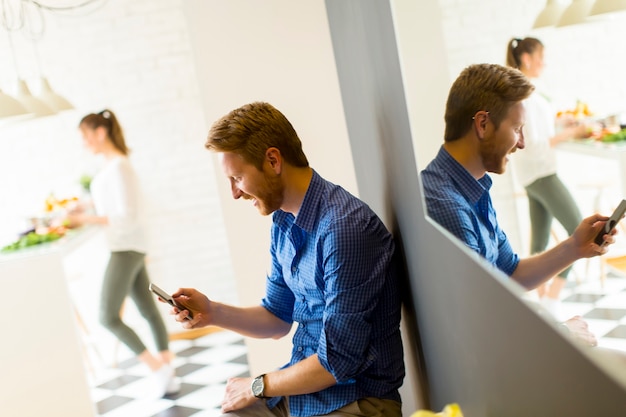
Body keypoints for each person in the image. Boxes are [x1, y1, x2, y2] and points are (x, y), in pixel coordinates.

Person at [168, 102, 405, 417]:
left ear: (272, 160)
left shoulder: (345, 229)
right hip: (306, 395)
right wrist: (211, 313)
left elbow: (336, 362)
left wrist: (257, 385)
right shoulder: (283, 223)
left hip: (356, 401)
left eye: (237, 178)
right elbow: (277, 318)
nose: (235, 194)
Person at [420, 63, 617, 346]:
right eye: (517, 129)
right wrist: (564, 333)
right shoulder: (446, 206)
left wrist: (574, 247)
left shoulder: (470, 186)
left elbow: (510, 273)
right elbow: (485, 323)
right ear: (483, 124)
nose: (522, 143)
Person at [67, 109, 179, 398]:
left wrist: (85, 219)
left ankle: (158, 369)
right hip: (129, 245)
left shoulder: (119, 167)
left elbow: (126, 215)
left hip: (126, 246)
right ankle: (168, 373)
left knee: (106, 316)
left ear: (99, 133)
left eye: (84, 136)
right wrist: (86, 207)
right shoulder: (112, 167)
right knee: (148, 310)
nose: (83, 143)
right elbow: (110, 203)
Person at [506, 37, 591, 317]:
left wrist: (560, 123)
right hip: (541, 174)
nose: (545, 62)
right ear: (527, 59)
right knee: (580, 230)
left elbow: (537, 130)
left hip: (532, 175)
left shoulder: (526, 92)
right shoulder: (525, 96)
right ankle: (552, 300)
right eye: (541, 56)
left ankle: (542, 308)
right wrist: (572, 133)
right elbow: (534, 143)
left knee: (539, 242)